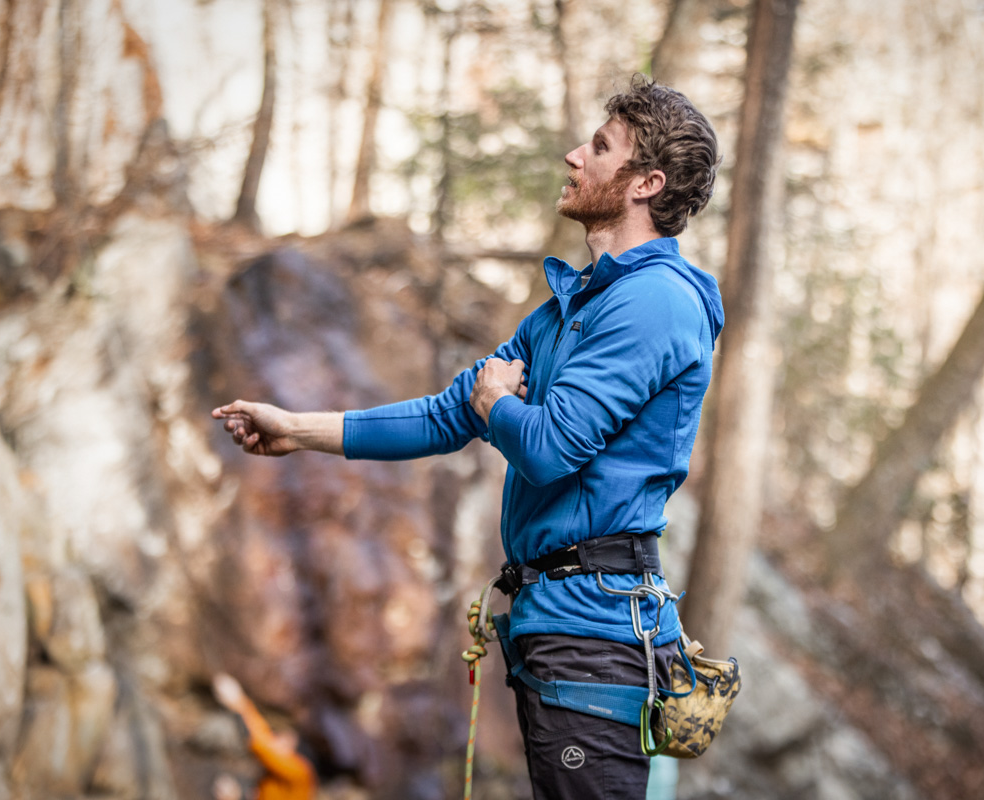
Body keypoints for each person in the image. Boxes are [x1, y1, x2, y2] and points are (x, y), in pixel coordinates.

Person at [212, 74, 722, 799]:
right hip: (561, 631)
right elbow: (445, 415)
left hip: (599, 637)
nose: (574, 155)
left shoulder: (655, 303)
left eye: (600, 147)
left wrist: (498, 406)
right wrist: (296, 430)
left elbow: (549, 447)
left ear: (647, 182)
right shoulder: (566, 314)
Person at [212, 673, 317, 800]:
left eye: (282, 738)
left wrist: (239, 703)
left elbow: (263, 745)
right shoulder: (275, 778)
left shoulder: (300, 773)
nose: (276, 739)